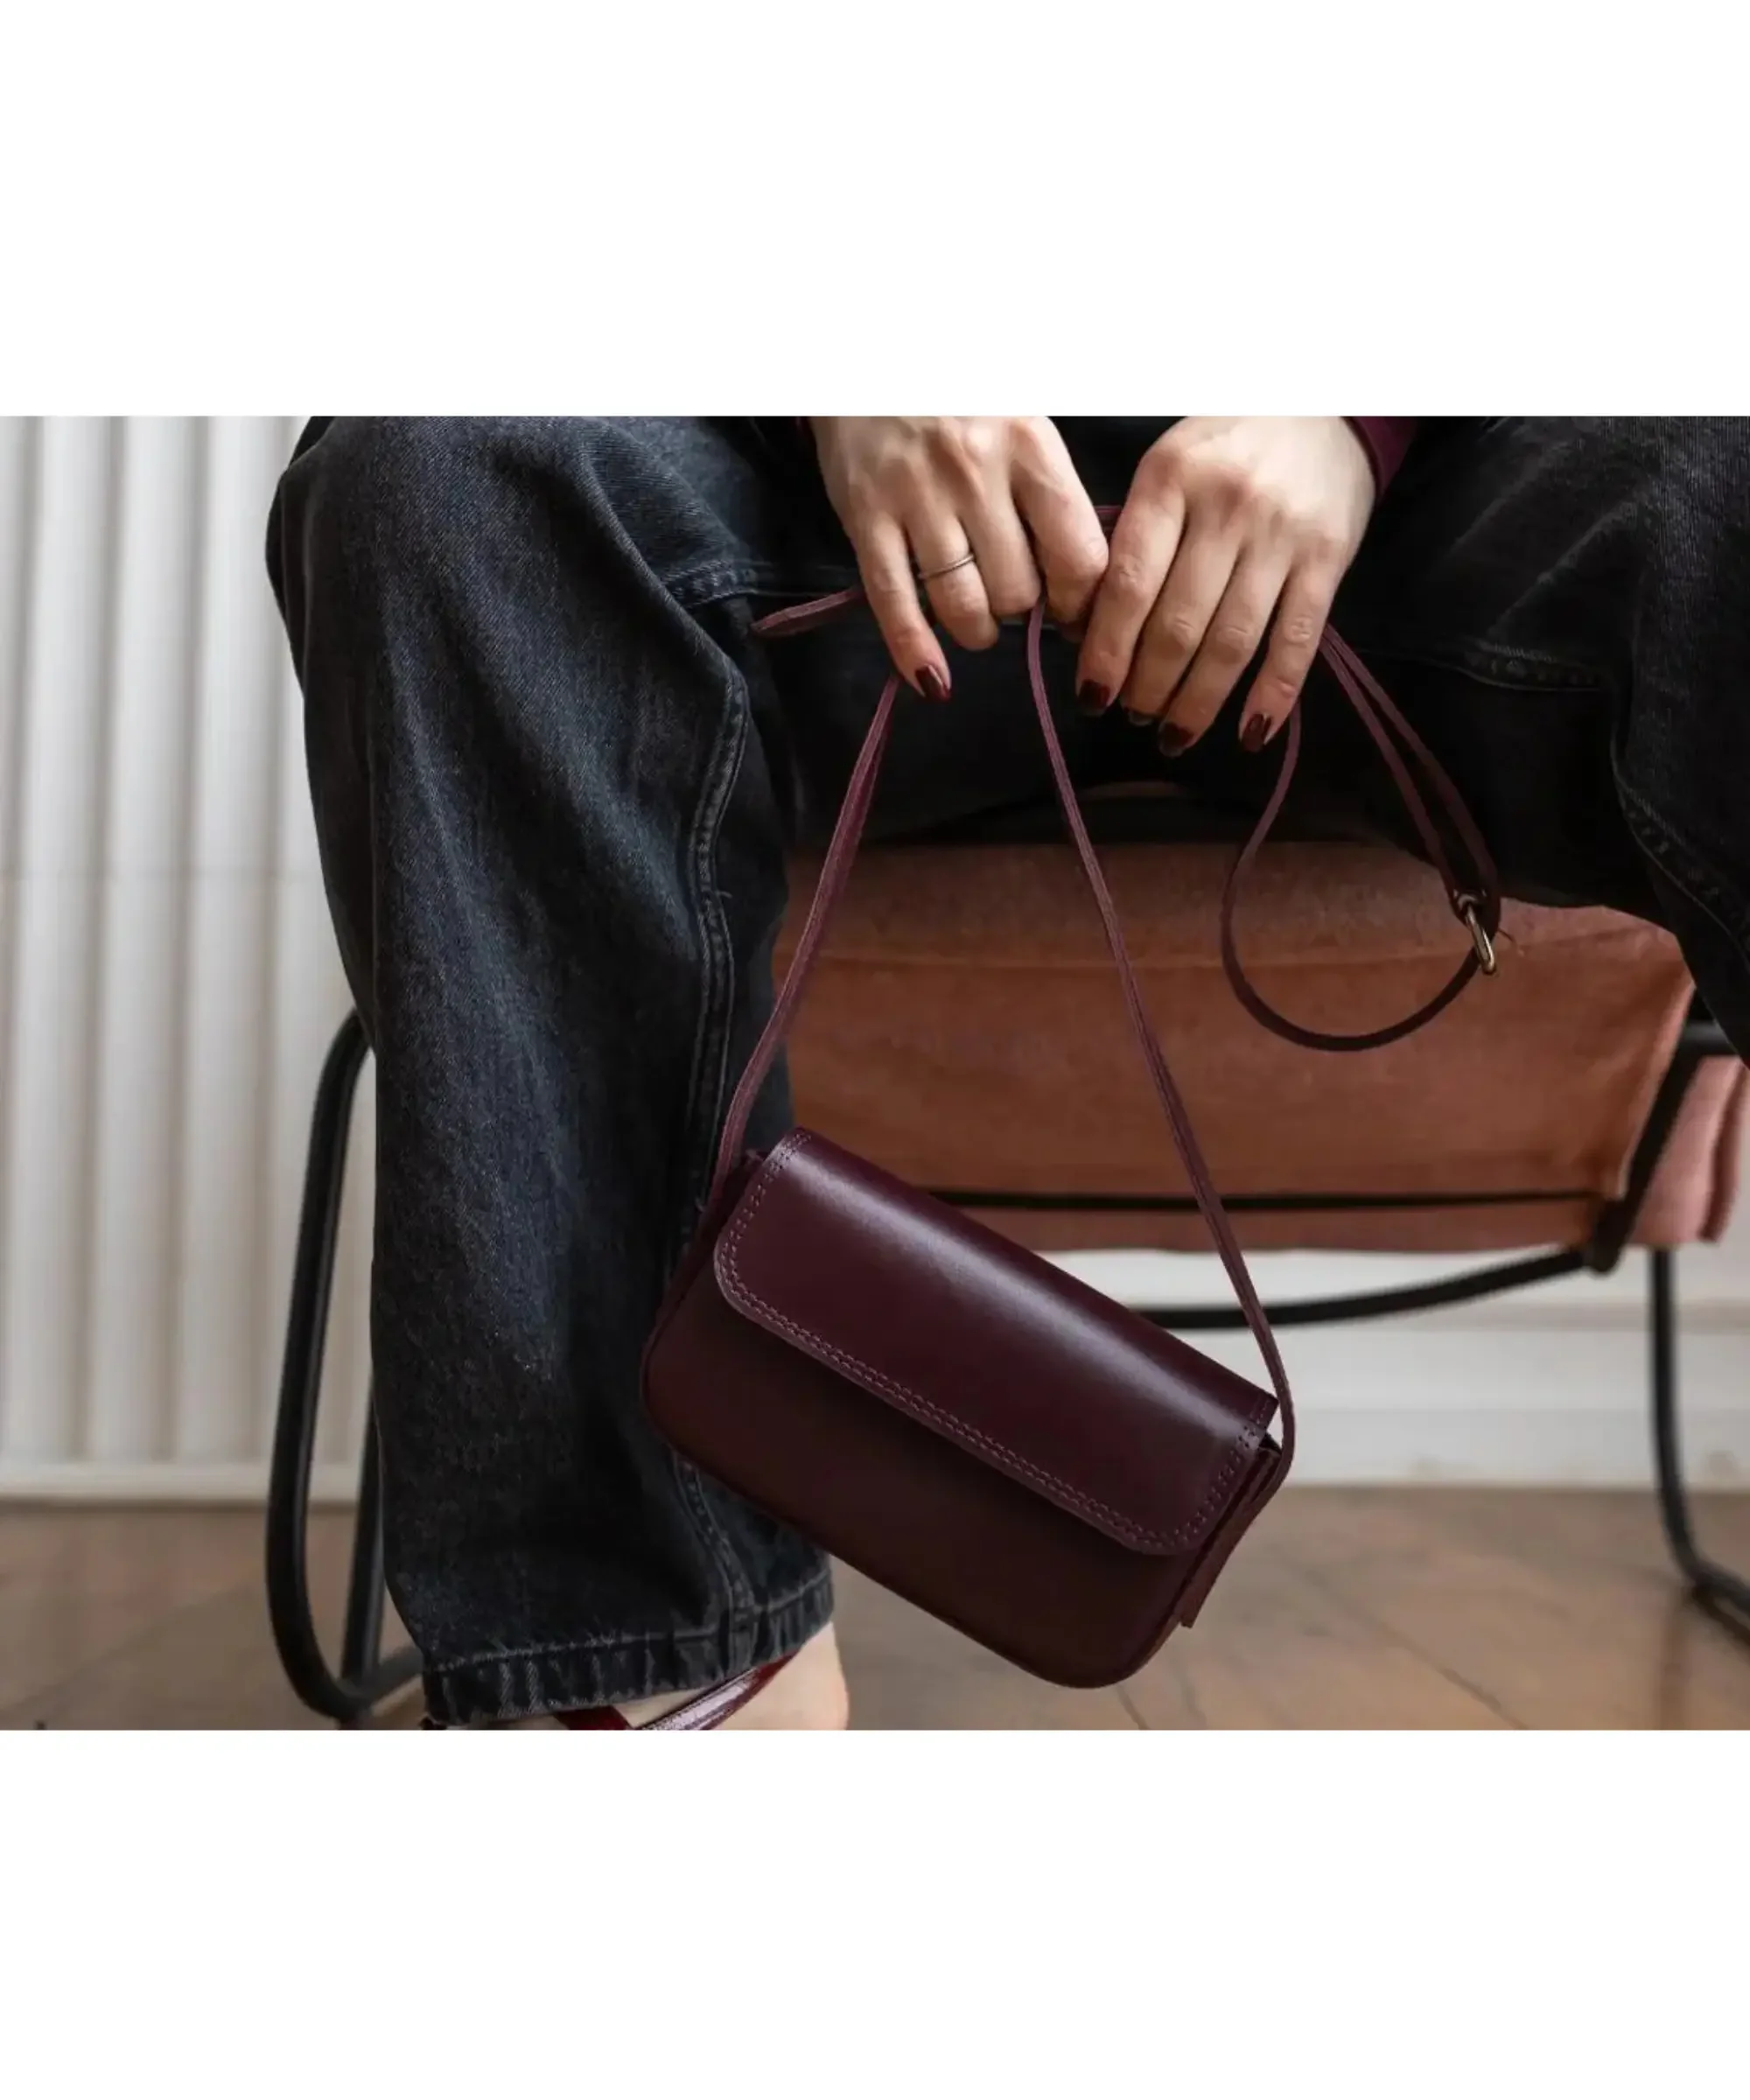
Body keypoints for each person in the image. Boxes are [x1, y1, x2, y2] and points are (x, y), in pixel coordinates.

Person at [267, 415, 1750, 1729]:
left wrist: (1344, 414)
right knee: (437, 462)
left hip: (1397, 518)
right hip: (829, 504)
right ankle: (663, 1670)